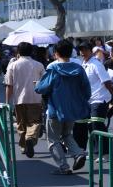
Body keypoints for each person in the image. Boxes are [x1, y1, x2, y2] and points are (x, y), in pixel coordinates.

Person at [35, 40, 91, 175]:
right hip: (72, 110)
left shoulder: (53, 69)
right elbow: (87, 91)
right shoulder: (79, 69)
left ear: (56, 53)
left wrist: (38, 83)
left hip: (55, 109)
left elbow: (41, 89)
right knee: (66, 134)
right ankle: (78, 153)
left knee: (53, 139)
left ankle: (63, 166)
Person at [4, 42, 46, 158]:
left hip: (19, 99)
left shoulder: (13, 65)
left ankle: (23, 146)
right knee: (34, 122)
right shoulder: (39, 65)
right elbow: (45, 81)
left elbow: (9, 85)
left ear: (18, 51)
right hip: (35, 98)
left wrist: (7, 102)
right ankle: (30, 138)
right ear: (32, 51)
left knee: (21, 124)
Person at [76, 41, 113, 153]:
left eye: (85, 50)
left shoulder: (96, 64)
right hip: (88, 100)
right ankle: (95, 151)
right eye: (81, 50)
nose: (83, 52)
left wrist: (112, 96)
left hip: (99, 98)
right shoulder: (83, 64)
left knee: (97, 124)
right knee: (90, 125)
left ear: (91, 51)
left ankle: (105, 152)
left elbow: (106, 81)